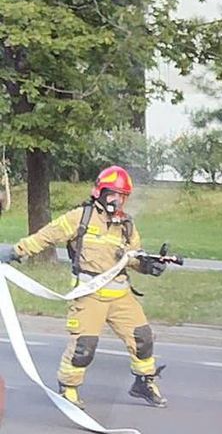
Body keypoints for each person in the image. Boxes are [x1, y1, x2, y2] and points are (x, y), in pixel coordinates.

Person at [0, 166, 168, 408]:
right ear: (99, 192)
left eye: (122, 196)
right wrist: (16, 251)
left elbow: (131, 257)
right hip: (89, 296)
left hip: (120, 295)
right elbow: (47, 235)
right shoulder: (81, 217)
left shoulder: (126, 225)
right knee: (83, 348)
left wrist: (148, 266)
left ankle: (144, 381)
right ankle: (67, 387)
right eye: (112, 194)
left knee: (142, 338)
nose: (116, 200)